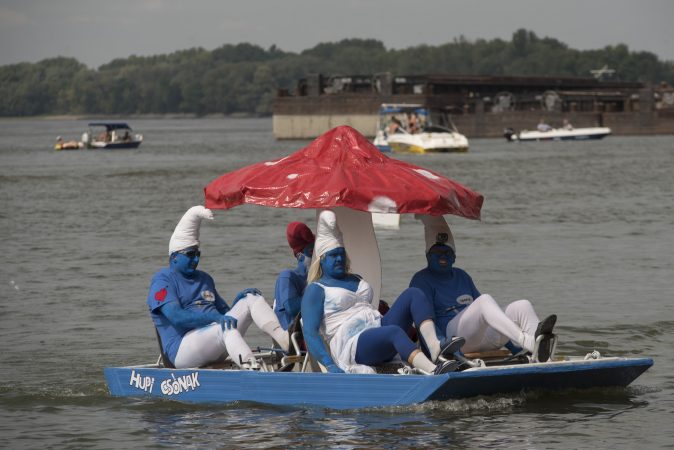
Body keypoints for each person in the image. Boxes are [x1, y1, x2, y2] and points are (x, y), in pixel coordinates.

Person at [301, 210, 462, 375]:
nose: (339, 259)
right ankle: (434, 371)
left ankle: (434, 348)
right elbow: (310, 333)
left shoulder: (355, 278)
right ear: (322, 260)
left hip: (377, 328)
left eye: (342, 254)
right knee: (394, 332)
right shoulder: (316, 290)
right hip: (353, 345)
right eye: (333, 256)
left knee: (414, 293)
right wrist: (329, 365)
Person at [146, 205, 290, 369]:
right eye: (190, 255)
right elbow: (176, 317)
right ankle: (253, 369)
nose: (195, 260)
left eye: (197, 254)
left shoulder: (205, 278)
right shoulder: (162, 280)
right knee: (225, 328)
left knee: (251, 298)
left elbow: (225, 314)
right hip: (181, 350)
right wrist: (215, 318)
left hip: (214, 339)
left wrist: (238, 301)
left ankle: (284, 340)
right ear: (174, 257)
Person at [409, 215, 557, 362]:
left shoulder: (462, 276)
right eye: (437, 253)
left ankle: (540, 355)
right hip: (453, 341)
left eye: (447, 253)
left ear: (454, 257)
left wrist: (515, 351)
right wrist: (442, 349)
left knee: (522, 306)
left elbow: (490, 315)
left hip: (480, 338)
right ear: (427, 256)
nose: (443, 257)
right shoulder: (421, 280)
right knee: (484, 300)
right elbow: (423, 321)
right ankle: (528, 341)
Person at [274, 221, 315, 330]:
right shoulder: (288, 276)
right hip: (293, 335)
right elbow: (292, 308)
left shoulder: (321, 275)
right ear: (300, 256)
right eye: (311, 251)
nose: (315, 255)